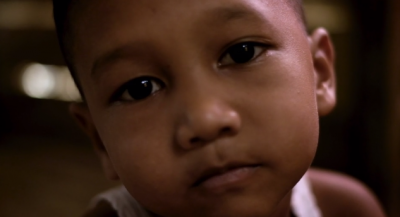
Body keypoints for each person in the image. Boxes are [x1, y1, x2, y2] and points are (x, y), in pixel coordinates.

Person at [52, 0, 386, 216]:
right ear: (100, 141)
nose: (205, 120)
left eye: (242, 53)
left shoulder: (345, 208)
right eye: (140, 89)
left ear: (320, 74)